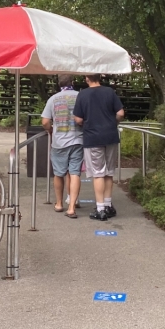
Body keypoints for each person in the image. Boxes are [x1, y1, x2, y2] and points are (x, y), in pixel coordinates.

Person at [72, 74, 124, 221]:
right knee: (109, 172)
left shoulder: (83, 95)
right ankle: (108, 205)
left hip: (93, 137)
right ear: (99, 78)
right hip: (111, 136)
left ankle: (100, 208)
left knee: (98, 173)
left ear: (87, 78)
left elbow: (78, 119)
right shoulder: (109, 92)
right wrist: (112, 122)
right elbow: (120, 113)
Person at [40, 74, 84, 218]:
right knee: (75, 172)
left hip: (59, 142)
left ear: (59, 84)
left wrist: (50, 130)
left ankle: (59, 203)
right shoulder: (81, 96)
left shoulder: (53, 99)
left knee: (59, 173)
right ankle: (72, 206)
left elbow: (45, 122)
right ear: (72, 82)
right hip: (78, 140)